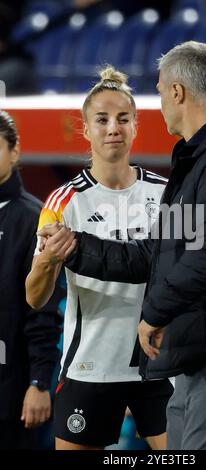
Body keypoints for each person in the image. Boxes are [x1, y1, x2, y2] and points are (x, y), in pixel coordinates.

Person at [37, 41, 206, 450]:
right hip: (201, 353)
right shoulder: (194, 165)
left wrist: (154, 312)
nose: (159, 104)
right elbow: (159, 254)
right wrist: (77, 248)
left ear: (177, 92)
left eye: (158, 91)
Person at [25, 66, 172, 451]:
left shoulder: (168, 194)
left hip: (161, 365)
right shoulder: (62, 202)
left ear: (136, 126)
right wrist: (45, 262)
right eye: (102, 120)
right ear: (86, 129)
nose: (113, 128)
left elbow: (189, 273)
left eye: (123, 119)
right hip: (91, 365)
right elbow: (35, 298)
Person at [0, 110, 62, 449]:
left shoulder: (35, 219)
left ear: (15, 151)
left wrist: (39, 383)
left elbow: (44, 312)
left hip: (13, 396)